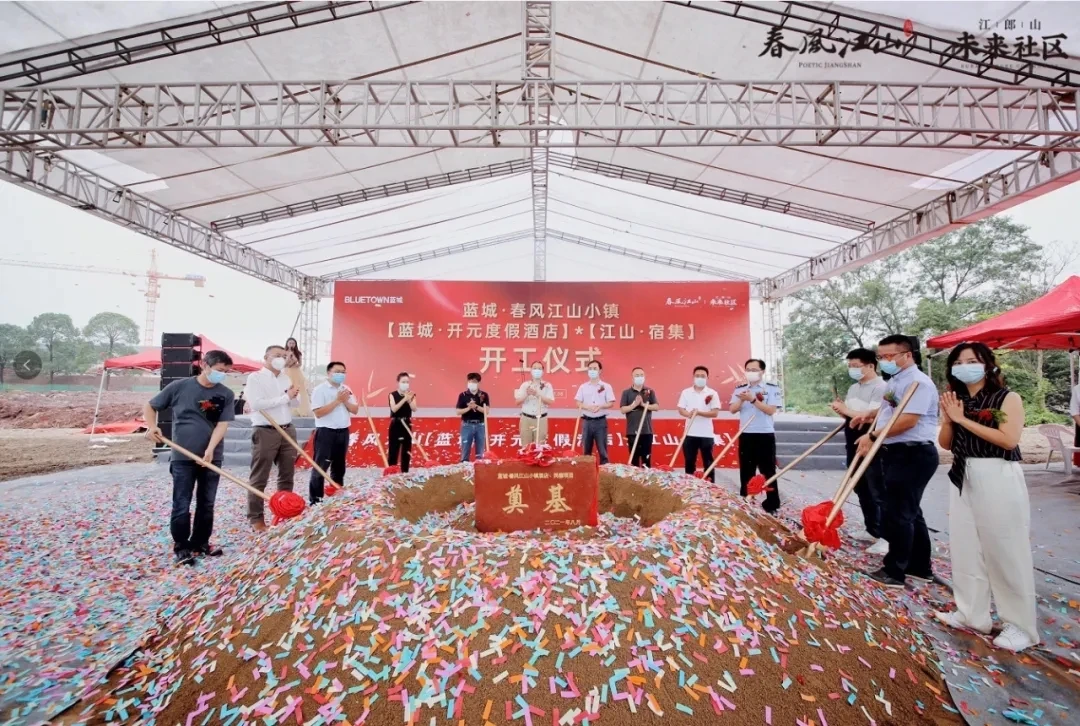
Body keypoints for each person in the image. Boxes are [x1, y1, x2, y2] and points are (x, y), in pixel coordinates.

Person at [936, 343, 1038, 652]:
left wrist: (964, 419)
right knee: (966, 547)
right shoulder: (956, 399)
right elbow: (945, 443)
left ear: (987, 364)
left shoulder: (1008, 398)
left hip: (997, 474)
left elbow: (1008, 440)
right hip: (963, 474)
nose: (965, 365)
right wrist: (950, 418)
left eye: (972, 360)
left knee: (1005, 550)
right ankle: (971, 613)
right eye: (959, 361)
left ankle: (1020, 626)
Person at [856, 335, 939, 588]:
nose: (885, 361)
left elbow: (907, 421)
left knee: (899, 514)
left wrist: (872, 435)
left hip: (912, 452)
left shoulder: (918, 382)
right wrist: (869, 416)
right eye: (881, 357)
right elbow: (890, 411)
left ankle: (895, 571)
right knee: (911, 512)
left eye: (890, 356)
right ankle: (919, 566)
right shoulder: (896, 381)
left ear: (907, 354)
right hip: (897, 452)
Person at [145, 350, 235, 565]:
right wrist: (152, 426)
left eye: (226, 372)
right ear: (205, 365)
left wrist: (211, 449)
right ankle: (181, 546)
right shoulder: (179, 387)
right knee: (182, 502)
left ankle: (200, 542)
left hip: (212, 457)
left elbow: (222, 424)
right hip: (182, 456)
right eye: (219, 370)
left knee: (207, 503)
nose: (222, 375)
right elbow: (151, 406)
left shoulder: (226, 394)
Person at [830, 348, 888, 553]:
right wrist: (841, 411)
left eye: (856, 366)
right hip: (852, 438)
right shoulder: (854, 388)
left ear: (870, 365)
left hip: (872, 439)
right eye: (850, 366)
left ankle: (886, 536)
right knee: (860, 486)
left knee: (877, 487)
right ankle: (871, 528)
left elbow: (870, 417)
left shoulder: (881, 387)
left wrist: (846, 410)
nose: (852, 370)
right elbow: (851, 415)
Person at [244, 344, 300, 532]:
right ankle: (256, 518)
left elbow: (294, 403)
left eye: (284, 356)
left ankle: (285, 511)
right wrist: (285, 397)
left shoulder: (285, 378)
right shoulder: (255, 378)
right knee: (260, 476)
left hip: (287, 428)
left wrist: (293, 396)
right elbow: (257, 404)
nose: (281, 359)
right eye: (277, 355)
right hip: (265, 430)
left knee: (287, 474)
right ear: (266, 357)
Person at [729, 359, 783, 512]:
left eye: (754, 369)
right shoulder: (740, 389)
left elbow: (771, 410)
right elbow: (732, 409)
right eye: (748, 369)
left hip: (765, 434)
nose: (750, 372)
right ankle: (745, 499)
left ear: (762, 371)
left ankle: (772, 503)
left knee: (768, 470)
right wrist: (741, 399)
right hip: (746, 434)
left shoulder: (771, 388)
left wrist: (753, 399)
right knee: (746, 469)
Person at [308, 361, 357, 504]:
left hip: (343, 432)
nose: (341, 374)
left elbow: (354, 410)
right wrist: (337, 400)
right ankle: (316, 501)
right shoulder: (320, 390)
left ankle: (336, 497)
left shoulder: (346, 389)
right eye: (337, 371)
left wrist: (345, 400)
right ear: (329, 373)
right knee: (320, 468)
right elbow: (318, 413)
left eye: (343, 372)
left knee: (339, 466)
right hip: (326, 433)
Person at [677, 366, 721, 481]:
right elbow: (681, 409)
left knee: (708, 462)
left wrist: (699, 413)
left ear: (707, 378)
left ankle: (711, 488)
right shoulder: (686, 392)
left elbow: (715, 413)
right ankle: (689, 486)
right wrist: (689, 414)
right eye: (697, 376)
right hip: (689, 433)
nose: (700, 378)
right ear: (693, 377)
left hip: (706, 434)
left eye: (703, 376)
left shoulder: (712, 393)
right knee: (689, 461)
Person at [575, 359, 616, 464]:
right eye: (590, 369)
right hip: (587, 422)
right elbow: (578, 402)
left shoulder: (606, 386)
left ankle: (604, 475)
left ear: (600, 370)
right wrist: (587, 407)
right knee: (586, 451)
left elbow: (611, 402)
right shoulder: (583, 387)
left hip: (600, 422)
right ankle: (586, 475)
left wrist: (601, 406)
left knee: (603, 451)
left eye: (595, 369)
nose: (592, 371)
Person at [620, 367, 658, 467]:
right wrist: (634, 405)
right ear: (632, 378)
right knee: (634, 461)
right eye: (637, 375)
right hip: (632, 431)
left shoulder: (650, 391)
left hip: (647, 431)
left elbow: (656, 407)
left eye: (641, 375)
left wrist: (643, 404)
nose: (639, 377)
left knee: (646, 461)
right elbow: (623, 409)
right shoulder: (626, 393)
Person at [514, 361, 554, 447]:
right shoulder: (525, 385)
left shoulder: (547, 385)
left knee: (539, 448)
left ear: (543, 371)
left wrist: (537, 394)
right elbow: (517, 402)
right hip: (526, 419)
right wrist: (526, 394)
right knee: (526, 447)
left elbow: (550, 401)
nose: (537, 370)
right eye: (534, 368)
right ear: (531, 370)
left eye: (539, 369)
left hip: (541, 419)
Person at [456, 372, 489, 462]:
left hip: (480, 425)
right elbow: (458, 411)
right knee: (465, 450)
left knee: (480, 453)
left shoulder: (484, 395)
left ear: (478, 383)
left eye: (474, 382)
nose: (472, 384)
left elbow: (487, 411)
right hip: (467, 425)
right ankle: (464, 469)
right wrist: (469, 407)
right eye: (470, 381)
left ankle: (480, 470)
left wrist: (476, 406)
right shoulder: (462, 395)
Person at [388, 372, 417, 471]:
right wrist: (404, 398)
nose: (406, 384)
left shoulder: (411, 394)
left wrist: (409, 400)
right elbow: (394, 409)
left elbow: (414, 408)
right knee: (393, 450)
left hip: (407, 423)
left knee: (406, 450)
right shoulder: (392, 395)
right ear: (398, 382)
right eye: (403, 382)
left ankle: (405, 473)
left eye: (407, 382)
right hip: (396, 424)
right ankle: (391, 472)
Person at [284, 337, 311, 416]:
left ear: (295, 344)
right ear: (287, 344)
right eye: (290, 343)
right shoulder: (284, 353)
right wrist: (289, 357)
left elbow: (300, 364)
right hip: (287, 372)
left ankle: (301, 410)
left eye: (293, 343)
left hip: (296, 372)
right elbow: (285, 364)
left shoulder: (298, 353)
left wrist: (294, 360)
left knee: (300, 390)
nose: (291, 344)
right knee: (287, 389)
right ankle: (288, 409)